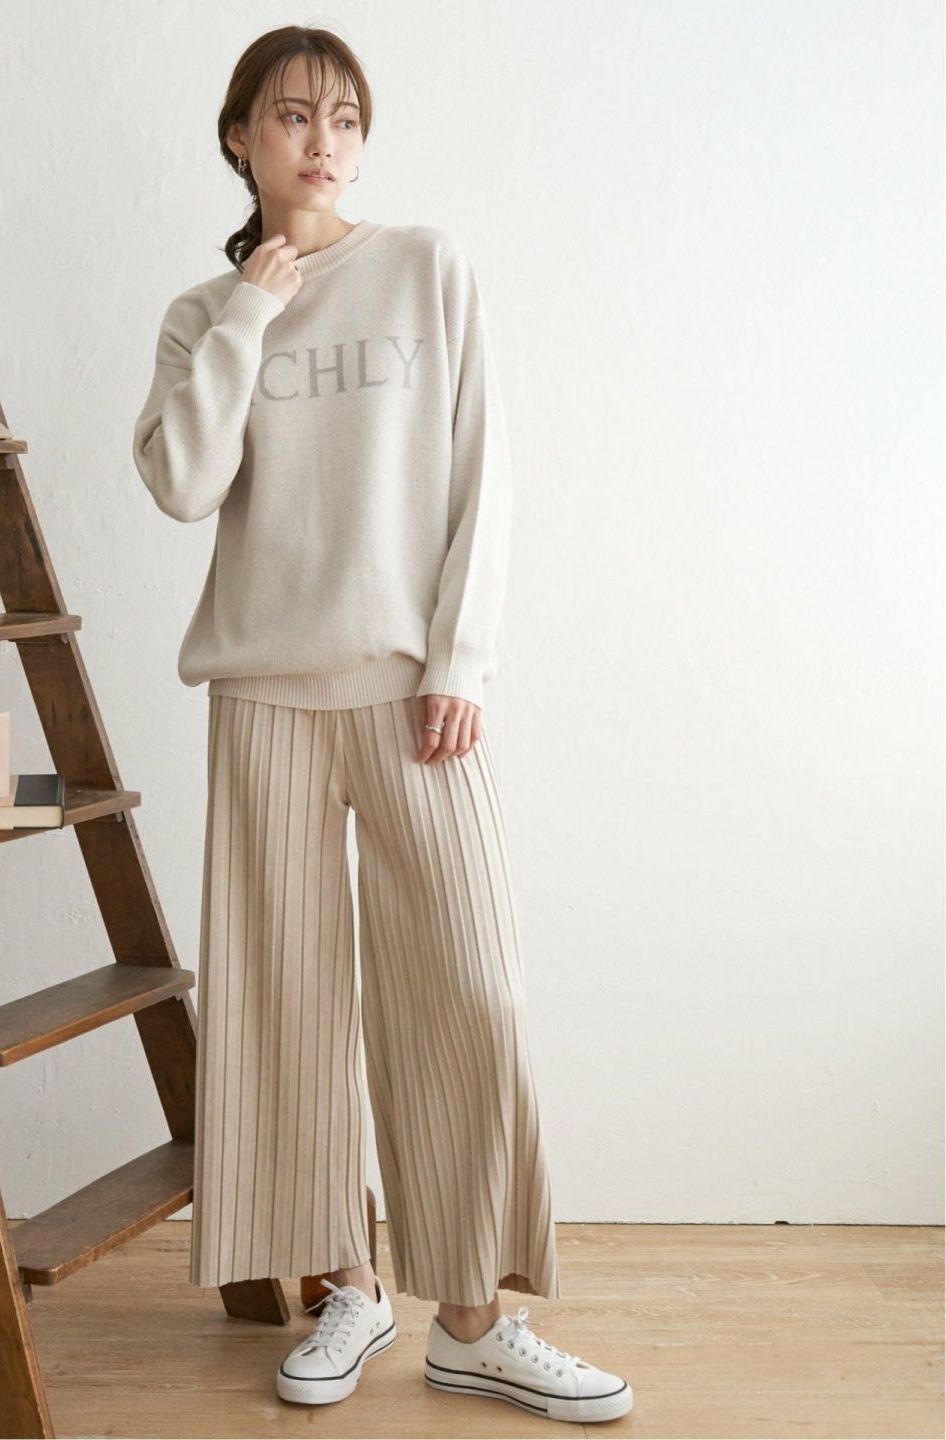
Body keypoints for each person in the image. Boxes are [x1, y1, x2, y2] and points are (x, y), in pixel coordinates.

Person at [132, 23, 633, 1426]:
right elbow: (180, 483)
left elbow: (482, 469)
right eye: (294, 115)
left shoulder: (425, 267)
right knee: (285, 1007)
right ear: (240, 136)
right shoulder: (201, 313)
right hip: (265, 698)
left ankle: (472, 1321)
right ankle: (345, 1287)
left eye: (345, 117)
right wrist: (248, 313)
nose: (324, 141)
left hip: (417, 697)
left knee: (473, 988)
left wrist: (461, 656)